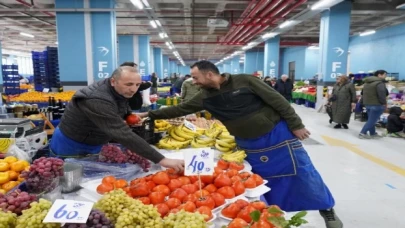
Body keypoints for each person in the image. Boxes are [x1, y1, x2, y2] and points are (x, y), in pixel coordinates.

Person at [138, 60, 342, 228]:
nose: (194, 81)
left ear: (210, 74)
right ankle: (271, 217)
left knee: (303, 172)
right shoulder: (204, 97)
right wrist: (150, 114)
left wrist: (296, 124)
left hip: (277, 135)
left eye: (196, 77)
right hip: (248, 144)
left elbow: (278, 100)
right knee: (263, 182)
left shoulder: (244, 81)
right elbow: (179, 110)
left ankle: (327, 209)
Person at [49, 66, 184, 172]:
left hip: (94, 141)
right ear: (113, 81)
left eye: (137, 85)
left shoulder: (117, 89)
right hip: (71, 144)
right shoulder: (97, 99)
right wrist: (161, 159)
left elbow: (121, 106)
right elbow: (121, 132)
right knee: (70, 180)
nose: (133, 89)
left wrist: (128, 116)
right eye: (129, 84)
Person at [359, 70, 388, 139]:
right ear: (379, 75)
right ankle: (362, 133)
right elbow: (381, 94)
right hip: (377, 104)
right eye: (384, 74)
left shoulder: (366, 83)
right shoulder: (379, 83)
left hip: (367, 103)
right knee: (372, 120)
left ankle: (372, 133)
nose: (385, 76)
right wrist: (384, 103)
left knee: (371, 119)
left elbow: (362, 93)